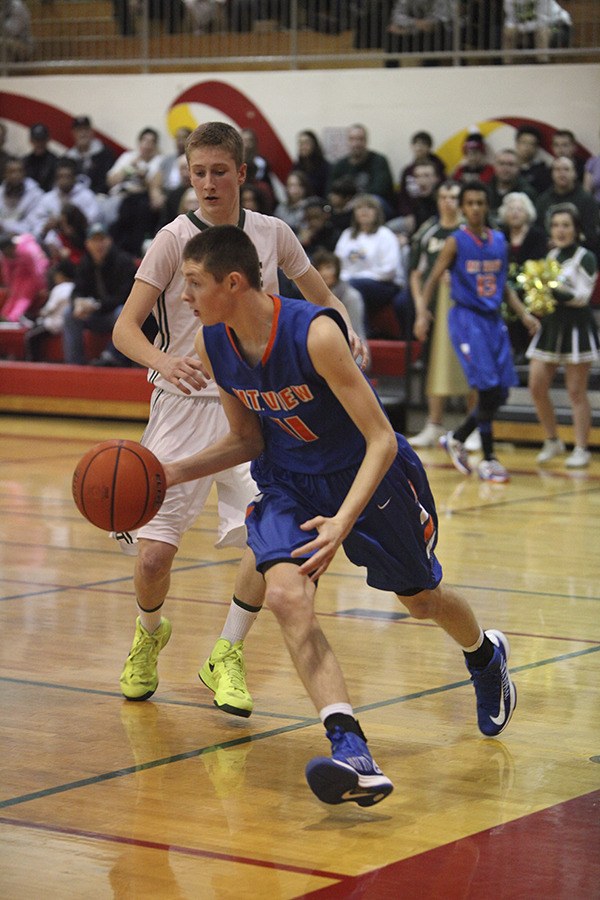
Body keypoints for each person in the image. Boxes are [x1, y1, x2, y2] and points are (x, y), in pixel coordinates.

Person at [161, 222, 518, 806]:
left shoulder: (315, 334)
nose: (184, 297)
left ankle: (484, 653)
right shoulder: (211, 343)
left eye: (194, 284)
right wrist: (172, 472)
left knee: (421, 600)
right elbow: (248, 440)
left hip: (367, 476)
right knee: (286, 597)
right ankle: (351, 748)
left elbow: (379, 438)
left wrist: (342, 522)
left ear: (232, 282)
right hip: (288, 484)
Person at [111, 121, 367, 714]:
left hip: (257, 407)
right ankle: (149, 634)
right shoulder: (173, 238)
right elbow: (125, 328)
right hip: (184, 405)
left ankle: (226, 651)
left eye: (218, 171)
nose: (207, 183)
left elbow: (320, 296)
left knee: (271, 544)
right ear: (187, 174)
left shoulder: (272, 233)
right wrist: (163, 362)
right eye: (197, 172)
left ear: (242, 175)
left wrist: (345, 329)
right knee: (153, 556)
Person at [420, 181, 540, 483]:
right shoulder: (455, 242)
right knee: (486, 388)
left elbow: (504, 286)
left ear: (487, 206)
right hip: (467, 319)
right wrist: (423, 313)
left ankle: (457, 437)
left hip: (493, 319)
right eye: (470, 203)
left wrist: (524, 314)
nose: (475, 208)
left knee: (501, 390)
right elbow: (432, 278)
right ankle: (489, 458)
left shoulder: (499, 240)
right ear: (463, 208)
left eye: (480, 203)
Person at [526, 204, 599, 468]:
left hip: (577, 328)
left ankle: (581, 448)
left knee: (576, 391)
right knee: (536, 385)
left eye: (566, 225)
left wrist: (550, 288)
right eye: (556, 225)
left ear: (576, 228)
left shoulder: (585, 257)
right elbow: (543, 296)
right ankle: (552, 439)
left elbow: (581, 297)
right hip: (552, 327)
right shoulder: (551, 256)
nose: (560, 230)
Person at [409, 179, 473, 448]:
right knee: (432, 365)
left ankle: (474, 427)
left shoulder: (469, 232)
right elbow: (416, 275)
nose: (448, 201)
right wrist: (421, 310)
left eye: (453, 196)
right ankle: (434, 424)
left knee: (471, 365)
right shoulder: (429, 233)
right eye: (443, 196)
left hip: (466, 310)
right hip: (435, 310)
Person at [62, 223, 137, 366]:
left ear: (109, 241)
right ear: (87, 244)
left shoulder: (124, 262)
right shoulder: (85, 263)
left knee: (122, 313)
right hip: (95, 314)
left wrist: (96, 306)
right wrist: (78, 302)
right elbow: (77, 290)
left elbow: (125, 297)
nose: (98, 245)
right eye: (94, 240)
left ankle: (112, 356)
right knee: (68, 313)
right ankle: (74, 363)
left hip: (113, 314)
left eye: (102, 240)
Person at [334, 193, 405, 337]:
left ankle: (361, 334)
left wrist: (356, 278)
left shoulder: (385, 235)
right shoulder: (347, 235)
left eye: (369, 208)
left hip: (385, 285)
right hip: (350, 282)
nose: (364, 212)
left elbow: (389, 270)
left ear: (377, 212)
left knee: (353, 287)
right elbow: (337, 263)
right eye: (360, 208)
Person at [497, 191, 548, 360]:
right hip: (503, 283)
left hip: (531, 285)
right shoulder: (499, 235)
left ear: (527, 213)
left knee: (518, 294)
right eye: (511, 209)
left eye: (519, 209)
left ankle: (523, 349)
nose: (515, 213)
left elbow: (538, 264)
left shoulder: (537, 235)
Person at [105, 127, 165, 255]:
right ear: (139, 142)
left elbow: (155, 186)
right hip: (118, 196)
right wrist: (129, 168)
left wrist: (143, 178)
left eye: (151, 142)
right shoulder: (128, 157)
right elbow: (110, 181)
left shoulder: (158, 161)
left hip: (139, 200)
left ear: (155, 146)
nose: (147, 145)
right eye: (145, 141)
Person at [536, 157, 600, 258]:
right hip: (547, 254)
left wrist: (566, 242)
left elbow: (592, 235)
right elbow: (538, 230)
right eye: (557, 170)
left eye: (566, 169)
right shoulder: (542, 200)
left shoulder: (587, 200)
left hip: (579, 255)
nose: (561, 173)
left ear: (574, 173)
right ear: (552, 174)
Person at [30, 157, 100, 247]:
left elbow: (93, 220)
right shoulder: (47, 198)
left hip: (79, 241)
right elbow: (36, 222)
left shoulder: (87, 196)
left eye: (67, 177)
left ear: (74, 178)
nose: (64, 180)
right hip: (50, 243)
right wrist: (46, 226)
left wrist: (66, 224)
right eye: (60, 177)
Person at [328, 124, 395, 214]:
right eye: (352, 139)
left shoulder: (379, 161)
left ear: (366, 141)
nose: (356, 143)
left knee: (373, 201)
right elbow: (330, 190)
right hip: (346, 205)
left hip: (375, 205)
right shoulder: (340, 165)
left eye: (360, 139)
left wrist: (357, 201)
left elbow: (380, 189)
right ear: (347, 141)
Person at [24, 258, 75, 361]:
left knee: (30, 337)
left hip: (54, 325)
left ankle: (34, 361)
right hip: (69, 325)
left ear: (61, 275)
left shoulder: (59, 288)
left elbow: (49, 309)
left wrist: (39, 313)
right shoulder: (75, 287)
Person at [312, 248, 366, 339]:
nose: (324, 273)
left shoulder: (351, 297)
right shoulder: (311, 295)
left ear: (337, 270)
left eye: (328, 267)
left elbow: (354, 331)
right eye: (319, 269)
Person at [385, 0, 455, 67]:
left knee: (433, 33)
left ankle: (430, 72)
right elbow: (396, 16)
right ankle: (391, 73)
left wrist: (410, 26)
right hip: (414, 32)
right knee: (392, 32)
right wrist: (416, 23)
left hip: (439, 34)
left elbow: (442, 18)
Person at [0, 232, 49, 322]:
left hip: (32, 278)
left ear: (11, 247)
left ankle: (13, 318)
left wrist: (42, 287)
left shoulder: (26, 251)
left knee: (24, 298)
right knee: (13, 297)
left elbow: (36, 269)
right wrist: (9, 286)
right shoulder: (5, 256)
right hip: (18, 278)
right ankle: (4, 317)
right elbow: (7, 272)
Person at [503, 0, 572, 64]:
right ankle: (507, 66)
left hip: (556, 25)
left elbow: (542, 21)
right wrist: (516, 29)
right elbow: (510, 19)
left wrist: (523, 28)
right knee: (509, 32)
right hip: (527, 26)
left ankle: (542, 66)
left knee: (541, 33)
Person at [396, 131, 446, 217]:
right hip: (412, 214)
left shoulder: (438, 168)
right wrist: (408, 214)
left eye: (423, 144)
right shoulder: (407, 171)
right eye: (416, 144)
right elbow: (402, 197)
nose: (419, 148)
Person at [65, 115, 116, 195]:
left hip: (98, 197)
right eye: (79, 130)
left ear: (92, 132)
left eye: (86, 129)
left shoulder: (105, 154)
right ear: (73, 133)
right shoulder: (68, 158)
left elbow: (107, 181)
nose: (83, 133)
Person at [487, 148, 536, 226]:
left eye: (510, 164)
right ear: (495, 166)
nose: (506, 168)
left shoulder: (527, 192)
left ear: (518, 167)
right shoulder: (486, 190)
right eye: (501, 164)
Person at [0, 156, 44, 238]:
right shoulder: (1, 191)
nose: (15, 175)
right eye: (11, 172)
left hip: (23, 238)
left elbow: (32, 225)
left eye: (19, 171)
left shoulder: (35, 194)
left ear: (25, 173)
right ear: (5, 174)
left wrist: (5, 227)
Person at [288, 129, 330, 199]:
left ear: (314, 145)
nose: (303, 147)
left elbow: (326, 192)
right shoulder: (296, 167)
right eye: (300, 143)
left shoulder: (325, 167)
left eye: (306, 143)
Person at [514, 124, 551, 197]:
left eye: (531, 144)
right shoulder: (508, 167)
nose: (527, 147)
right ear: (517, 144)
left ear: (536, 148)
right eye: (524, 142)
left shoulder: (542, 172)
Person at [273, 169, 313, 234]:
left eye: (297, 185)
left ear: (304, 187)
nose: (294, 190)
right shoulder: (281, 207)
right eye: (290, 185)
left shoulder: (310, 206)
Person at [22, 123, 59, 193]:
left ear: (48, 140)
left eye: (42, 140)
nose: (39, 144)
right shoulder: (24, 162)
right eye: (36, 140)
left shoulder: (56, 162)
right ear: (31, 141)